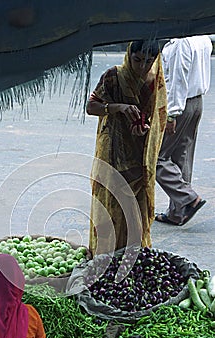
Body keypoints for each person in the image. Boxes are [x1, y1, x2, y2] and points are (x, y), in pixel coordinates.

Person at [87, 40, 167, 256]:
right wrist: (118, 108)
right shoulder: (114, 76)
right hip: (113, 150)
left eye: (149, 61)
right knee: (111, 204)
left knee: (136, 209)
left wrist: (145, 127)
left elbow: (159, 117)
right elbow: (91, 107)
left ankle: (134, 257)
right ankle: (105, 256)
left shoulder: (156, 82)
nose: (142, 67)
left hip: (140, 153)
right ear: (129, 55)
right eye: (137, 60)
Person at [155, 35, 212, 226]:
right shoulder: (202, 38)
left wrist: (171, 115)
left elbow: (178, 80)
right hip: (196, 102)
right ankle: (177, 213)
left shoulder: (180, 43)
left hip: (181, 105)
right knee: (182, 156)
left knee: (157, 158)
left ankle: (188, 199)